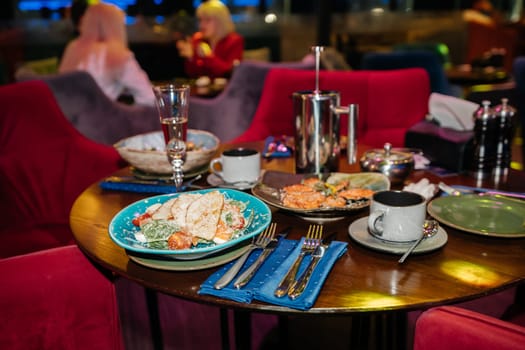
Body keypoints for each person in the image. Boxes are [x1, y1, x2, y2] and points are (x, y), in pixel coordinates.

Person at [58, 2, 155, 106]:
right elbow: (149, 97)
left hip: (65, 118)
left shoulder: (73, 48)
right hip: (99, 119)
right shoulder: (118, 54)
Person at [176, 0, 244, 79]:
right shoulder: (198, 39)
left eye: (207, 20)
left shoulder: (235, 41)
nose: (201, 25)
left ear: (221, 21)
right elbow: (193, 75)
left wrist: (208, 56)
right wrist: (191, 58)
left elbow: (229, 73)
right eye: (200, 20)